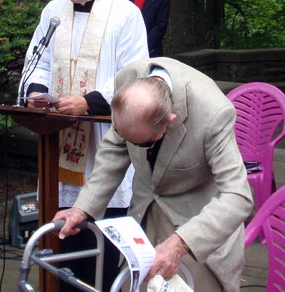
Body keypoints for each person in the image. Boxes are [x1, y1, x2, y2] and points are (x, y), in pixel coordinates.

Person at [53, 57, 254, 292]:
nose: (132, 146)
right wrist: (83, 208)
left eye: (142, 143)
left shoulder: (213, 113)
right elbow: (114, 149)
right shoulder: (127, 81)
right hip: (144, 215)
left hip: (198, 223)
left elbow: (238, 196)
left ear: (168, 123)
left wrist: (180, 243)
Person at [23, 0, 149, 291]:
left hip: (102, 140)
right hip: (56, 142)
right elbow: (39, 61)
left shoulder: (124, 15)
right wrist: (35, 92)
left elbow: (133, 73)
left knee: (99, 244)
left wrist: (89, 101)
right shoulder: (53, 12)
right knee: (59, 237)